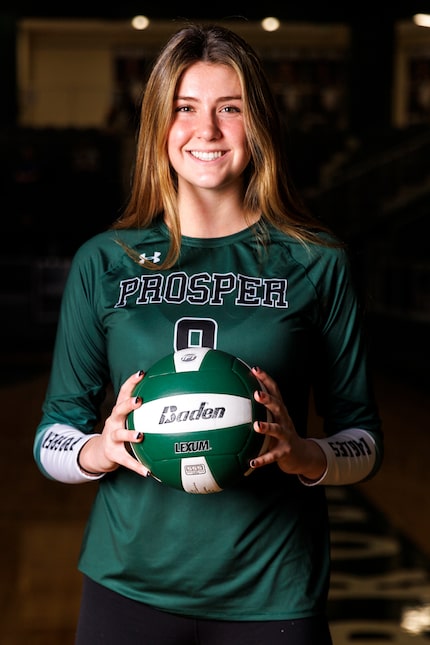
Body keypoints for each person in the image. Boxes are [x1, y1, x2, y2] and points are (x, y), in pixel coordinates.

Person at [33, 22, 383, 645]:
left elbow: (364, 440)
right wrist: (99, 450)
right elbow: (52, 435)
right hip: (128, 587)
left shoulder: (316, 261)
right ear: (157, 127)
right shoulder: (105, 260)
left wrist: (306, 455)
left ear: (260, 124)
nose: (208, 131)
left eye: (231, 109)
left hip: (274, 592)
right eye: (185, 109)